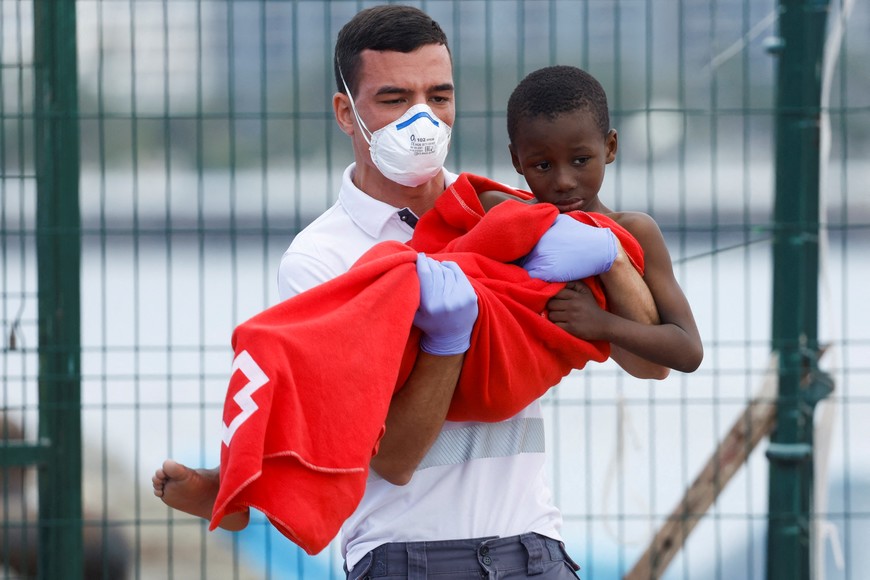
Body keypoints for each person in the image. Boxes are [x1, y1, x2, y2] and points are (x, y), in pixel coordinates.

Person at [152, 6, 669, 578]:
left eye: (439, 97)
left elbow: (651, 362)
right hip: (405, 556)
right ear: (347, 113)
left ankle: (237, 487)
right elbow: (393, 459)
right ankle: (243, 485)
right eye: (395, 99)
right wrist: (447, 341)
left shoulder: (505, 211)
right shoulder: (323, 259)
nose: (422, 119)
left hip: (534, 547)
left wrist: (611, 254)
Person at [480, 64, 703, 375]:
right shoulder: (503, 218)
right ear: (517, 160)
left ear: (610, 147)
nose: (564, 181)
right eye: (543, 165)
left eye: (580, 160)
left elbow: (687, 351)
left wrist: (601, 323)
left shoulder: (634, 230)